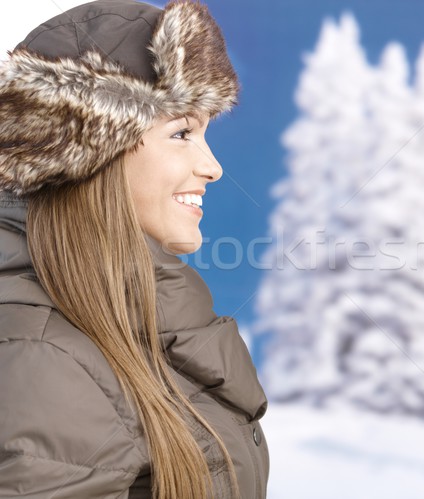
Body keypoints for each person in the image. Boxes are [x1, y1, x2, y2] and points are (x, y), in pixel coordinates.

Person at [0, 1, 269, 498]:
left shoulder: (126, 323)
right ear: (89, 151)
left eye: (205, 134)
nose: (212, 167)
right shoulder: (42, 359)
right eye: (182, 133)